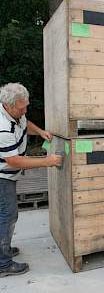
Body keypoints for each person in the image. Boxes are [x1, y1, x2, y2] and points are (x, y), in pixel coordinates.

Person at [0, 83, 62, 277]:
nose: (25, 110)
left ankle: (4, 250)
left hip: (7, 174)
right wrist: (46, 162)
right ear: (8, 106)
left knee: (6, 214)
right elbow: (13, 161)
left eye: (26, 105)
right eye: (22, 107)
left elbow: (26, 123)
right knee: (7, 215)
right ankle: (3, 264)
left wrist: (41, 132)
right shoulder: (2, 127)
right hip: (2, 176)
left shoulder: (16, 113)